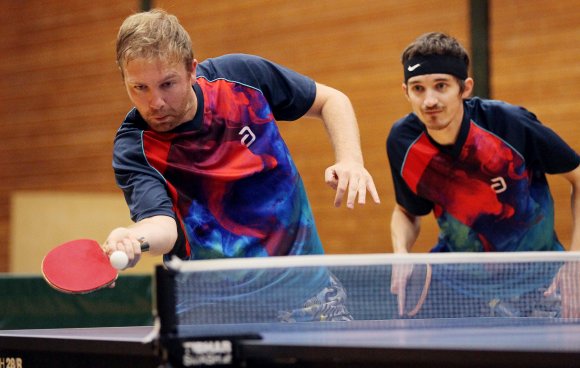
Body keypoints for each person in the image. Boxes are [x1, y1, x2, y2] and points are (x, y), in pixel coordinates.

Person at [103, 9, 379, 322]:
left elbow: (332, 101)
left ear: (192, 70)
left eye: (168, 84)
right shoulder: (134, 146)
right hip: (210, 311)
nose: (156, 103)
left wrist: (351, 160)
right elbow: (162, 224)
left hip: (305, 295)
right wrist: (133, 238)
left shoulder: (239, 78)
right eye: (140, 88)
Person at [386, 32, 580, 318]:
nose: (429, 101)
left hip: (538, 284)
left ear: (465, 88)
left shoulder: (508, 123)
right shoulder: (403, 142)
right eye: (418, 89)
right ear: (406, 92)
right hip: (456, 289)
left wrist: (575, 262)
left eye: (441, 86)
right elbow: (407, 212)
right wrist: (400, 252)